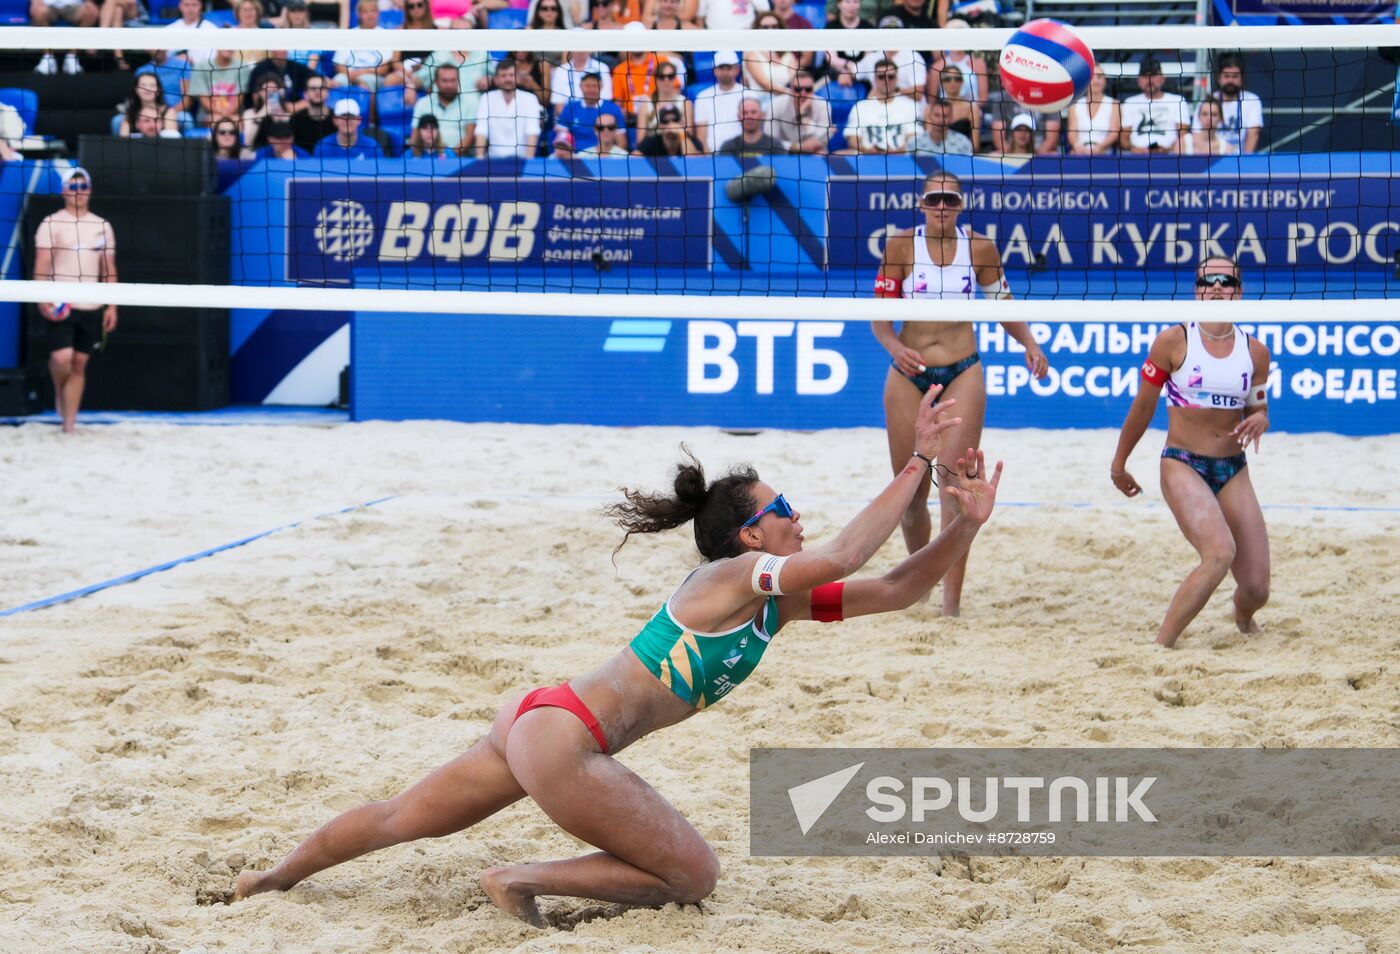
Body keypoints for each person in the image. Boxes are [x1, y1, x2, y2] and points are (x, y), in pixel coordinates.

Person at [232, 398, 1003, 924]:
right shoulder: (729, 578)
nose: (797, 515)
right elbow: (842, 554)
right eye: (782, 509)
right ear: (750, 537)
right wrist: (915, 463)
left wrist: (963, 525)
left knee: (401, 818)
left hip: (542, 721)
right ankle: (514, 878)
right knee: (693, 876)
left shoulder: (776, 605)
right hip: (566, 741)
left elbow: (896, 588)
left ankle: (269, 878)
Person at [871, 171, 1049, 617]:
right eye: (934, 198)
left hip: (962, 370)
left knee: (955, 490)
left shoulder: (980, 248)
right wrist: (894, 347)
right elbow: (879, 316)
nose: (942, 206)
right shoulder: (901, 246)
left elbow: (1002, 302)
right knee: (910, 493)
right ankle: (918, 586)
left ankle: (951, 606)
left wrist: (1029, 342)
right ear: (922, 204)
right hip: (908, 373)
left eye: (950, 199)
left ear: (960, 205)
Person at [1110, 257, 1271, 648]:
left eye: (1225, 281)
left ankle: (1242, 615)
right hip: (1182, 463)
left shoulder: (1255, 352)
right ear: (1196, 290)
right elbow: (1143, 407)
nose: (1216, 286)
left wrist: (1261, 419)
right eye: (1207, 280)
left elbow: (1258, 408)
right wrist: (1119, 463)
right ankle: (1161, 647)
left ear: (1238, 291)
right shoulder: (1174, 341)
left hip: (1232, 468)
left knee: (1256, 588)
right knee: (1219, 553)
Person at [32, 167, 118, 435]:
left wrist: (112, 305)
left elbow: (109, 269)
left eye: (82, 187)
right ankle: (60, 389)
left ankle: (69, 425)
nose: (78, 192)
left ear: (89, 190)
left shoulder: (102, 225)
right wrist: (42, 298)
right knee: (62, 358)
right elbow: (42, 265)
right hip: (61, 302)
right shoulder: (51, 223)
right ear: (63, 191)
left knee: (79, 363)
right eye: (72, 186)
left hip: (91, 303)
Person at [842, 59, 918, 155]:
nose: (886, 81)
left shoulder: (910, 106)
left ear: (897, 78)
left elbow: (914, 138)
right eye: (881, 77)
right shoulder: (860, 107)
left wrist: (898, 151)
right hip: (868, 158)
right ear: (875, 79)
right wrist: (867, 150)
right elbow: (852, 141)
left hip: (901, 158)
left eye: (890, 77)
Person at [471, 58, 543, 159]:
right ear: (496, 79)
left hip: (522, 160)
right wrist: (479, 158)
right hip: (493, 161)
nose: (508, 79)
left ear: (517, 77)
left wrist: (529, 162)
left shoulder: (530, 99)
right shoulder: (486, 98)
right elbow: (481, 130)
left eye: (511, 75)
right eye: (503, 76)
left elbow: (532, 131)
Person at [1120, 56, 1190, 155]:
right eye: (1145, 76)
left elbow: (1183, 135)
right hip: (1137, 156)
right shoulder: (1130, 103)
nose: (1149, 80)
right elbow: (1123, 138)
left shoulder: (1178, 101)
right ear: (1138, 80)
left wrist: (1169, 149)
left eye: (1153, 75)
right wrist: (1134, 149)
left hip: (1170, 156)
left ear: (1163, 78)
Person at [1196, 54, 1263, 155]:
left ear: (1241, 78)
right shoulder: (1207, 101)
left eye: (1235, 76)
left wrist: (1245, 160)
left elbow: (1254, 133)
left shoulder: (1252, 100)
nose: (1230, 80)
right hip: (1211, 157)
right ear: (1219, 78)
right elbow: (1197, 133)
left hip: (1239, 158)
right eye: (1226, 76)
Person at [333, 0, 404, 92]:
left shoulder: (386, 36)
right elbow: (339, 65)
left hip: (373, 77)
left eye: (373, 11)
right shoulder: (348, 35)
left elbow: (383, 69)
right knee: (336, 82)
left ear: (378, 13)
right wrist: (350, 74)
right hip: (348, 75)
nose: (370, 15)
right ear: (359, 14)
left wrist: (359, 73)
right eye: (366, 12)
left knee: (363, 84)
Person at [557, 73, 626, 153]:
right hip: (576, 156)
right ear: (581, 87)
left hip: (604, 155)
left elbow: (621, 141)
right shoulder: (570, 108)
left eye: (595, 86)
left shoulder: (613, 109)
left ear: (601, 87)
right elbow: (561, 138)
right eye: (588, 86)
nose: (591, 90)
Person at [692, 51, 746, 153]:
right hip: (713, 155)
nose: (725, 72)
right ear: (714, 70)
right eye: (721, 68)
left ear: (737, 69)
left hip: (742, 154)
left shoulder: (749, 95)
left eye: (729, 68)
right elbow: (701, 136)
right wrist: (708, 158)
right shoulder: (702, 97)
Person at [411, 63, 473, 153]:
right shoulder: (422, 103)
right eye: (445, 81)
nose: (449, 85)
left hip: (459, 157)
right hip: (428, 157)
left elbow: (470, 136)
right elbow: (415, 136)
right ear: (436, 82)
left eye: (453, 80)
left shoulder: (470, 102)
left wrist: (449, 156)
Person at [771, 69, 831, 155]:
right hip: (784, 152)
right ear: (790, 89)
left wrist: (803, 115)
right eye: (798, 89)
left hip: (813, 152)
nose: (803, 93)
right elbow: (769, 140)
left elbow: (819, 140)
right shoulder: (777, 104)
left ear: (813, 89)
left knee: (821, 153)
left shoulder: (823, 105)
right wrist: (798, 147)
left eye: (808, 89)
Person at [31, 0, 95, 77]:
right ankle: (48, 57)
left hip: (74, 6)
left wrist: (89, 1)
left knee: (91, 12)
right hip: (47, 5)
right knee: (37, 11)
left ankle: (72, 57)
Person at [744, 12, 801, 98]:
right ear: (757, 29)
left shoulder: (788, 55)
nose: (770, 30)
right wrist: (791, 93)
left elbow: (795, 80)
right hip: (759, 101)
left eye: (774, 26)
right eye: (765, 27)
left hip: (785, 100)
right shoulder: (751, 54)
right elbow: (765, 84)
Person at [1068, 65, 1119, 156]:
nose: (1096, 81)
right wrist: (1077, 147)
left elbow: (1114, 133)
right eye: (1092, 77)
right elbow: (1072, 133)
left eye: (1099, 77)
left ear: (1105, 81)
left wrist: (1099, 147)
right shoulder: (1075, 104)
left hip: (1104, 154)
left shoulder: (1114, 104)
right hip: (1080, 153)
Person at [634, 61, 693, 139]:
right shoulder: (645, 105)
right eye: (661, 77)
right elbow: (640, 140)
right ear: (656, 79)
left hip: (678, 143)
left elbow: (690, 135)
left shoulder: (685, 102)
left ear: (675, 78)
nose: (666, 80)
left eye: (670, 76)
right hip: (654, 145)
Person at [315, 98, 384, 158]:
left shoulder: (372, 147)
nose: (347, 120)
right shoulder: (322, 147)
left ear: (359, 120)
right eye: (343, 117)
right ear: (335, 120)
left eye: (352, 117)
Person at [118, 73, 181, 137]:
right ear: (136, 89)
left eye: (152, 85)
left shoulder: (168, 111)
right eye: (143, 85)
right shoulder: (131, 112)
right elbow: (124, 138)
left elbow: (171, 138)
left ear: (158, 89)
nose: (147, 89)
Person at [551, 51, 614, 115]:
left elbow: (606, 100)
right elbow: (558, 105)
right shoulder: (560, 70)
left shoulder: (602, 68)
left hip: (599, 116)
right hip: (569, 118)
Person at [933, 69, 979, 152]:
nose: (952, 82)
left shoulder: (972, 109)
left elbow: (975, 145)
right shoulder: (932, 108)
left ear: (962, 82)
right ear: (941, 83)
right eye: (947, 79)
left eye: (957, 79)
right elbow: (929, 138)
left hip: (962, 153)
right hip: (937, 153)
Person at [719, 97, 785, 154]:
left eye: (753, 112)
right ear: (738, 116)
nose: (749, 116)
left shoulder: (775, 145)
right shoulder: (728, 147)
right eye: (745, 113)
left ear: (762, 115)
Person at [634, 104, 703, 156]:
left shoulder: (692, 141)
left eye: (675, 120)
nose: (671, 124)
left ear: (682, 122)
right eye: (665, 121)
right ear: (659, 125)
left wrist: (682, 134)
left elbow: (692, 163)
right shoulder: (652, 141)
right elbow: (634, 160)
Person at [292, 75, 336, 154]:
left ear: (327, 93)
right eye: (313, 88)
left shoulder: (337, 118)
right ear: (305, 94)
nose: (317, 91)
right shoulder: (296, 119)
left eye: (321, 88)